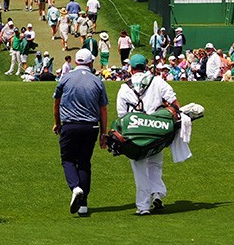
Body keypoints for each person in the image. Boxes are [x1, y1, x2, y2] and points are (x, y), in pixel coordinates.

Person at [117, 53, 180, 215]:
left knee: (140, 170)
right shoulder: (157, 81)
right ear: (145, 67)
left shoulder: (124, 87)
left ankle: (143, 206)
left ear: (131, 68)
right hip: (156, 130)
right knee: (155, 164)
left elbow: (122, 115)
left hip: (135, 134)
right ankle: (157, 193)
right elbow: (173, 101)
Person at [53, 48, 108, 217]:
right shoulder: (97, 81)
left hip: (70, 125)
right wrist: (103, 133)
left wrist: (57, 123)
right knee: (84, 162)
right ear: (90, 62)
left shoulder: (65, 78)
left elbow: (56, 104)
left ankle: (75, 187)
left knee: (68, 160)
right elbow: (103, 110)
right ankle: (83, 205)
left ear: (76, 61)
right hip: (91, 127)